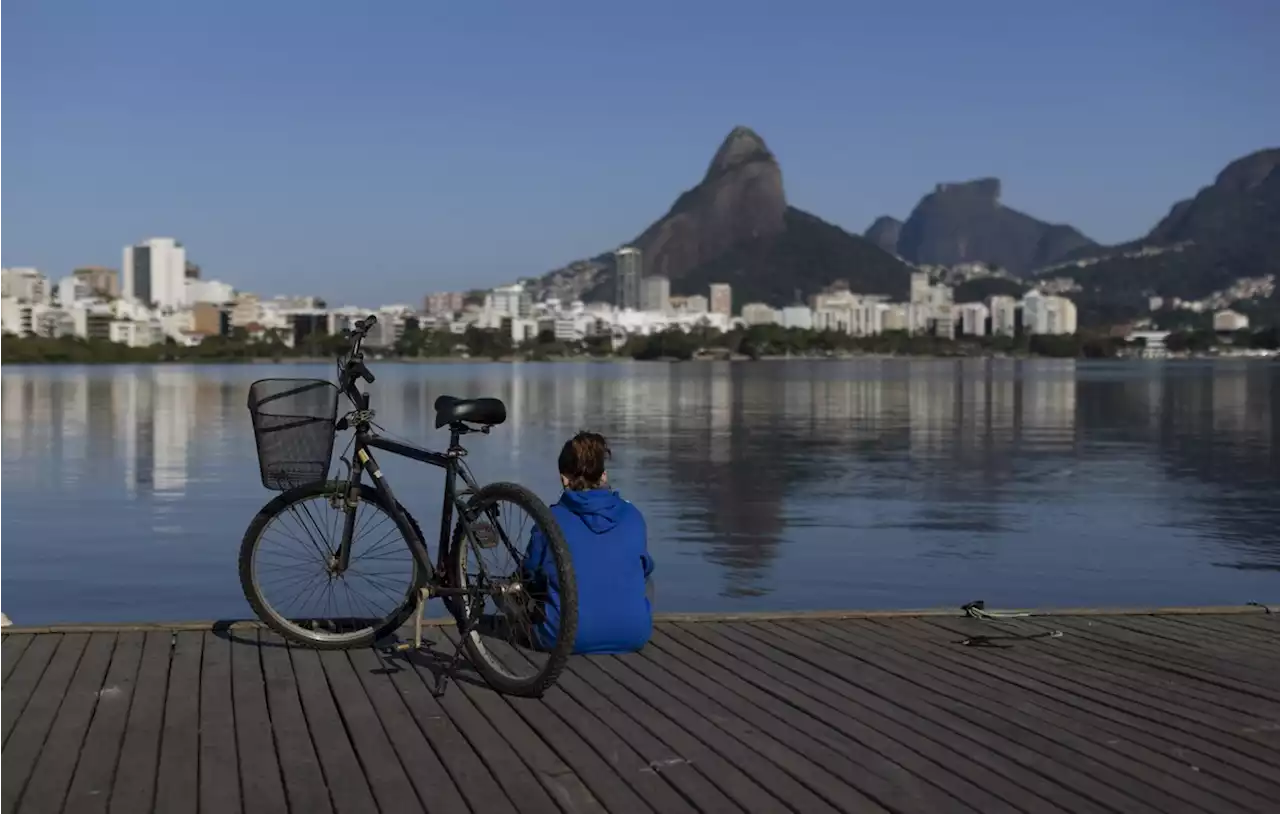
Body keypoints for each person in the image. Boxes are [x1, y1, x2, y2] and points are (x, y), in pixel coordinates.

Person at [522, 431, 654, 654]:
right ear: (604, 476)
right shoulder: (633, 515)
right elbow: (644, 571)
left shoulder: (550, 520)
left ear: (564, 479)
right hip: (635, 636)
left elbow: (529, 575)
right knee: (644, 570)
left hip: (562, 639)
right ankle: (629, 620)